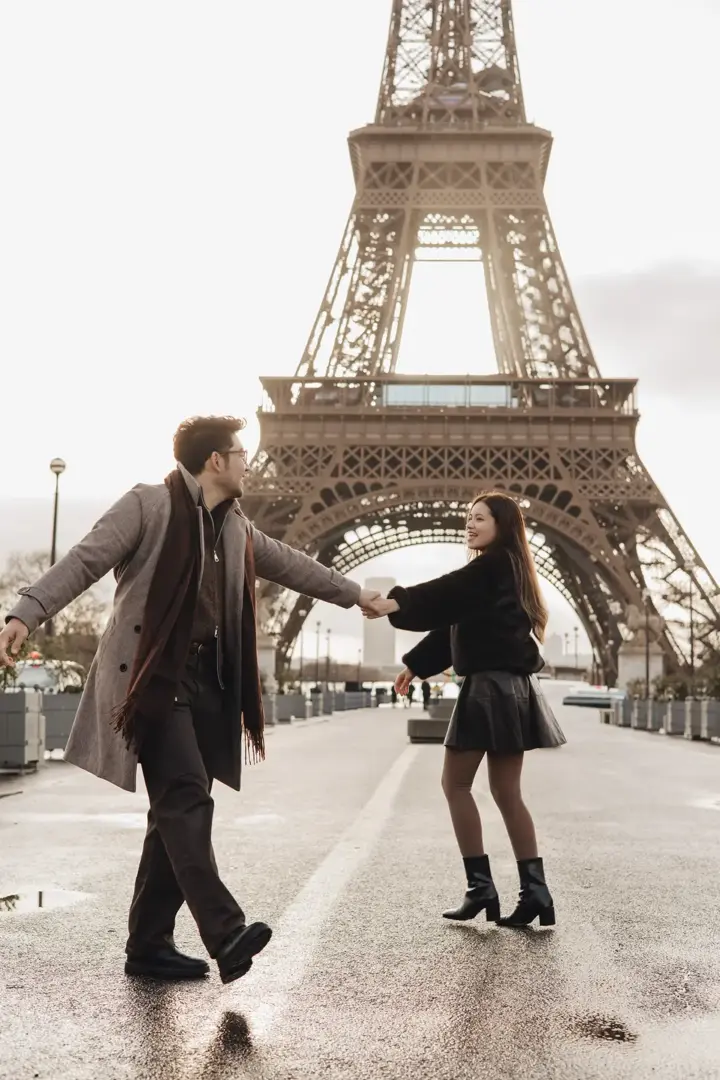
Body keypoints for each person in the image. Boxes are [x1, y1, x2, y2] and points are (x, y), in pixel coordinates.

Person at [0, 415, 381, 984]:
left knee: (174, 816)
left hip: (207, 685)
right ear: (215, 461)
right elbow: (85, 559)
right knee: (185, 800)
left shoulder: (237, 529)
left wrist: (358, 596)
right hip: (153, 681)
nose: (250, 461)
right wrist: (26, 612)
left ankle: (148, 946)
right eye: (241, 452)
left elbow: (296, 567)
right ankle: (225, 932)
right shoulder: (148, 504)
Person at [363, 491, 566, 929]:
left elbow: (446, 593)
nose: (470, 525)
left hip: (489, 688)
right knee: (507, 793)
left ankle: (481, 888)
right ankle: (536, 892)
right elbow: (454, 619)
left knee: (455, 785)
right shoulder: (506, 569)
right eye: (468, 518)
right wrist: (415, 666)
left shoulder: (491, 566)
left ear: (503, 524)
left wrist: (394, 601)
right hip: (513, 689)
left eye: (480, 518)